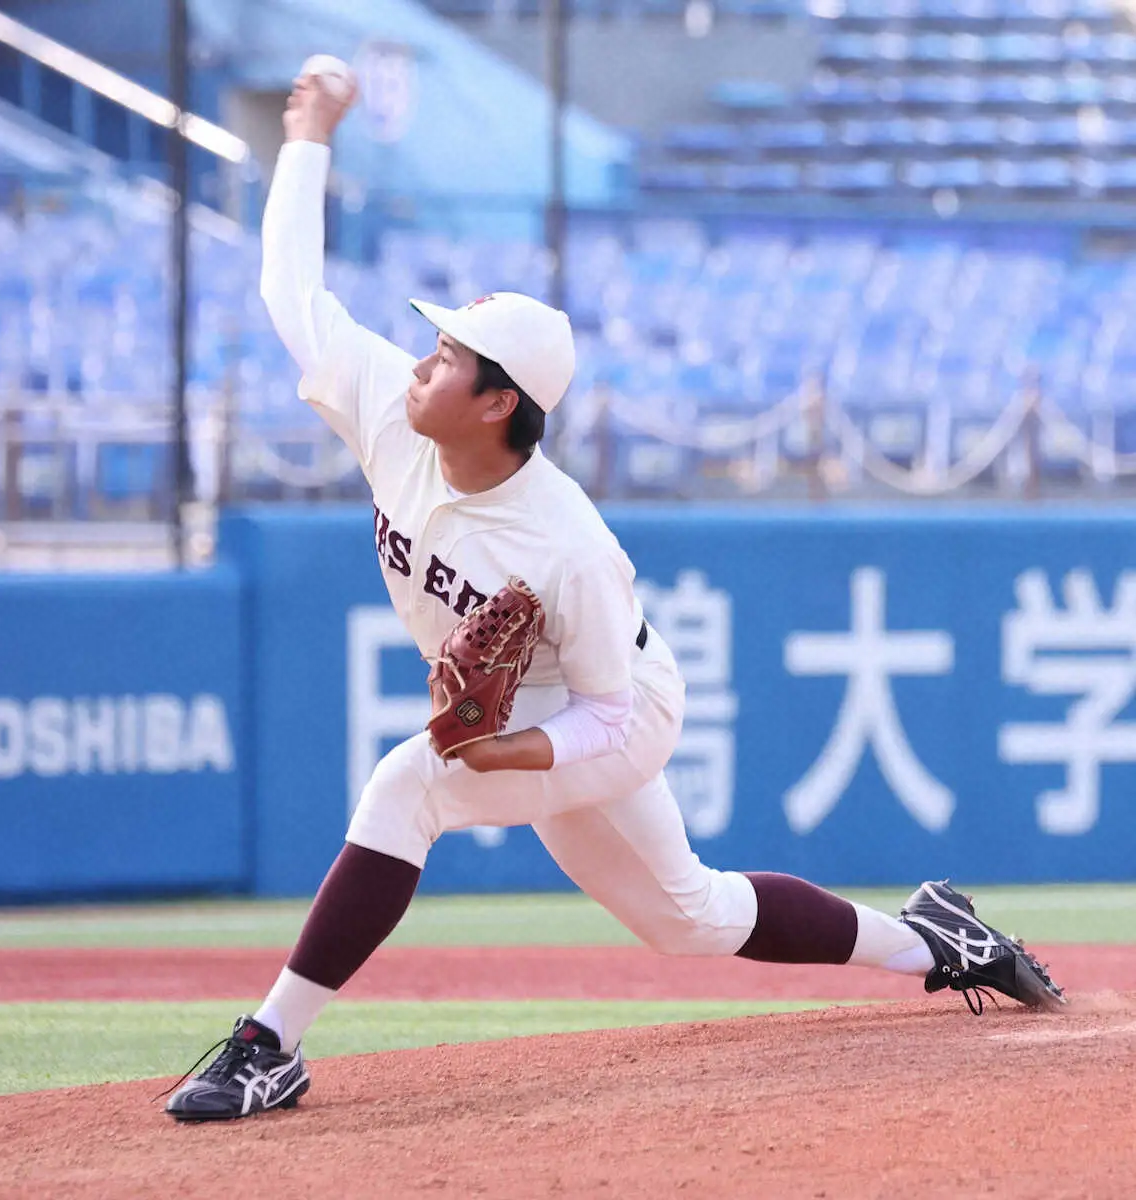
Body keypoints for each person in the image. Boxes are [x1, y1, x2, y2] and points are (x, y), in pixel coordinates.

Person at [164, 72, 1064, 1123]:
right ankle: (938, 940)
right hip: (529, 711)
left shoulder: (567, 542)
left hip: (615, 709)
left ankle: (269, 1046)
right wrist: (310, 135)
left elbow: (608, 712)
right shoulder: (387, 406)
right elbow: (290, 289)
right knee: (691, 916)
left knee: (408, 786)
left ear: (498, 403)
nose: (420, 363)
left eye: (447, 357)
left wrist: (509, 753)